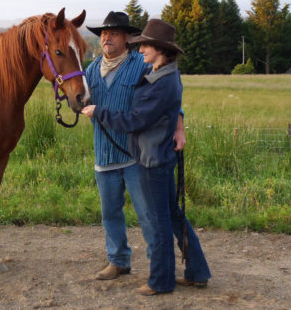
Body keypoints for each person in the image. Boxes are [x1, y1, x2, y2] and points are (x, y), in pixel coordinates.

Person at [82, 19, 211, 295]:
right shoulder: (100, 70)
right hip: (118, 155)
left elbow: (138, 118)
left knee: (157, 221)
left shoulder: (155, 74)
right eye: (103, 34)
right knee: (163, 215)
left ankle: (160, 279)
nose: (107, 39)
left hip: (145, 157)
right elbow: (78, 92)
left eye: (113, 34)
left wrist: (179, 124)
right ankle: (195, 270)